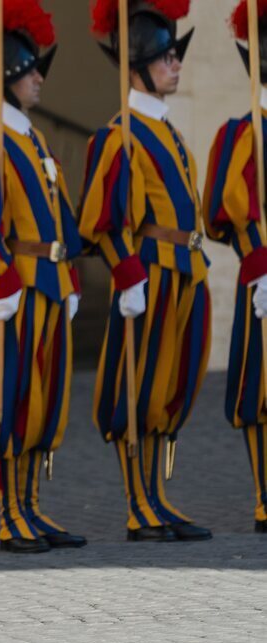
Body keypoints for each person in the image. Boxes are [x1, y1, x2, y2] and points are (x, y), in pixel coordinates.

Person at [0, 0, 87, 553]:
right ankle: (10, 515)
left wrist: (68, 279)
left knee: (43, 399)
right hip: (15, 288)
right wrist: (2, 280)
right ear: (6, 76)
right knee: (11, 398)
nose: (38, 79)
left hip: (48, 282)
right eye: (29, 71)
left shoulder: (32, 140)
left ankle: (31, 504)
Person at [80, 0, 212, 543]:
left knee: (172, 385)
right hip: (150, 273)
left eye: (175, 57)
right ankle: (139, 504)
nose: (175, 66)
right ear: (135, 68)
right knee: (139, 388)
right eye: (164, 59)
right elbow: (100, 220)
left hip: (186, 269)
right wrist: (126, 272)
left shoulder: (170, 133)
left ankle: (158, 497)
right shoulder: (121, 135)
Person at [203, 0, 267, 535]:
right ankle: (266, 495)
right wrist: (258, 262)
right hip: (265, 274)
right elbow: (226, 210)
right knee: (260, 390)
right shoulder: (245, 130)